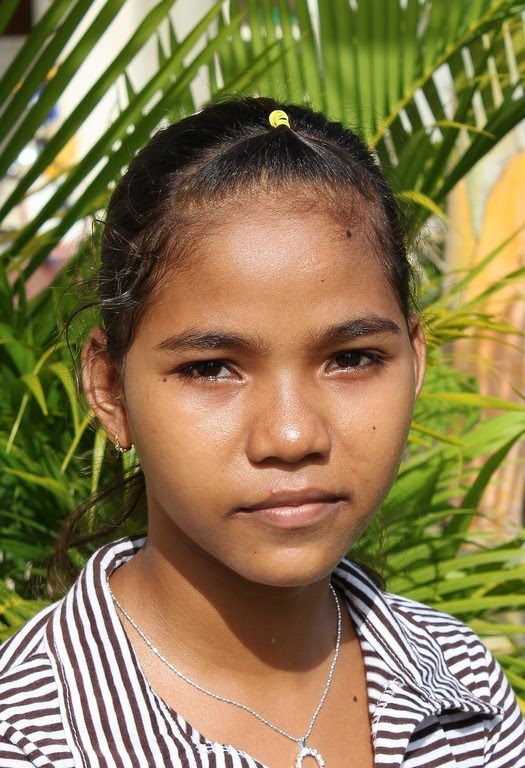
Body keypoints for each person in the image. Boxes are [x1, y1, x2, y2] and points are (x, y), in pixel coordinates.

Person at [0, 97, 523, 768]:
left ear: (414, 362)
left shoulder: (461, 686)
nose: (292, 435)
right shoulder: (32, 739)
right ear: (110, 388)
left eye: (352, 358)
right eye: (210, 368)